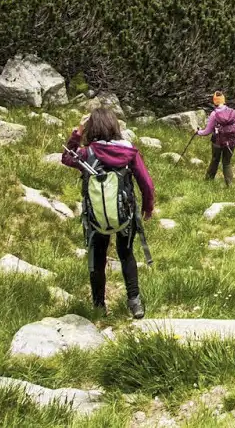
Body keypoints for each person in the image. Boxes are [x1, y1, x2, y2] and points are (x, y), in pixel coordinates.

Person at [61, 107, 154, 318]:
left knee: (97, 257)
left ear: (92, 128)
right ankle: (134, 302)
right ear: (115, 126)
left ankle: (99, 306)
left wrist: (77, 131)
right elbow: (146, 184)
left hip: (96, 218)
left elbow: (66, 158)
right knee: (126, 254)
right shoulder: (129, 151)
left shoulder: (87, 154)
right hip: (125, 215)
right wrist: (148, 207)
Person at [196, 90, 235, 187]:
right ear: (224, 100)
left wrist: (198, 132)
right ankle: (230, 185)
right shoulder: (232, 112)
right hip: (231, 142)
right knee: (227, 163)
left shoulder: (214, 114)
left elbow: (207, 131)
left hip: (217, 142)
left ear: (215, 102)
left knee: (215, 160)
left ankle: (208, 182)